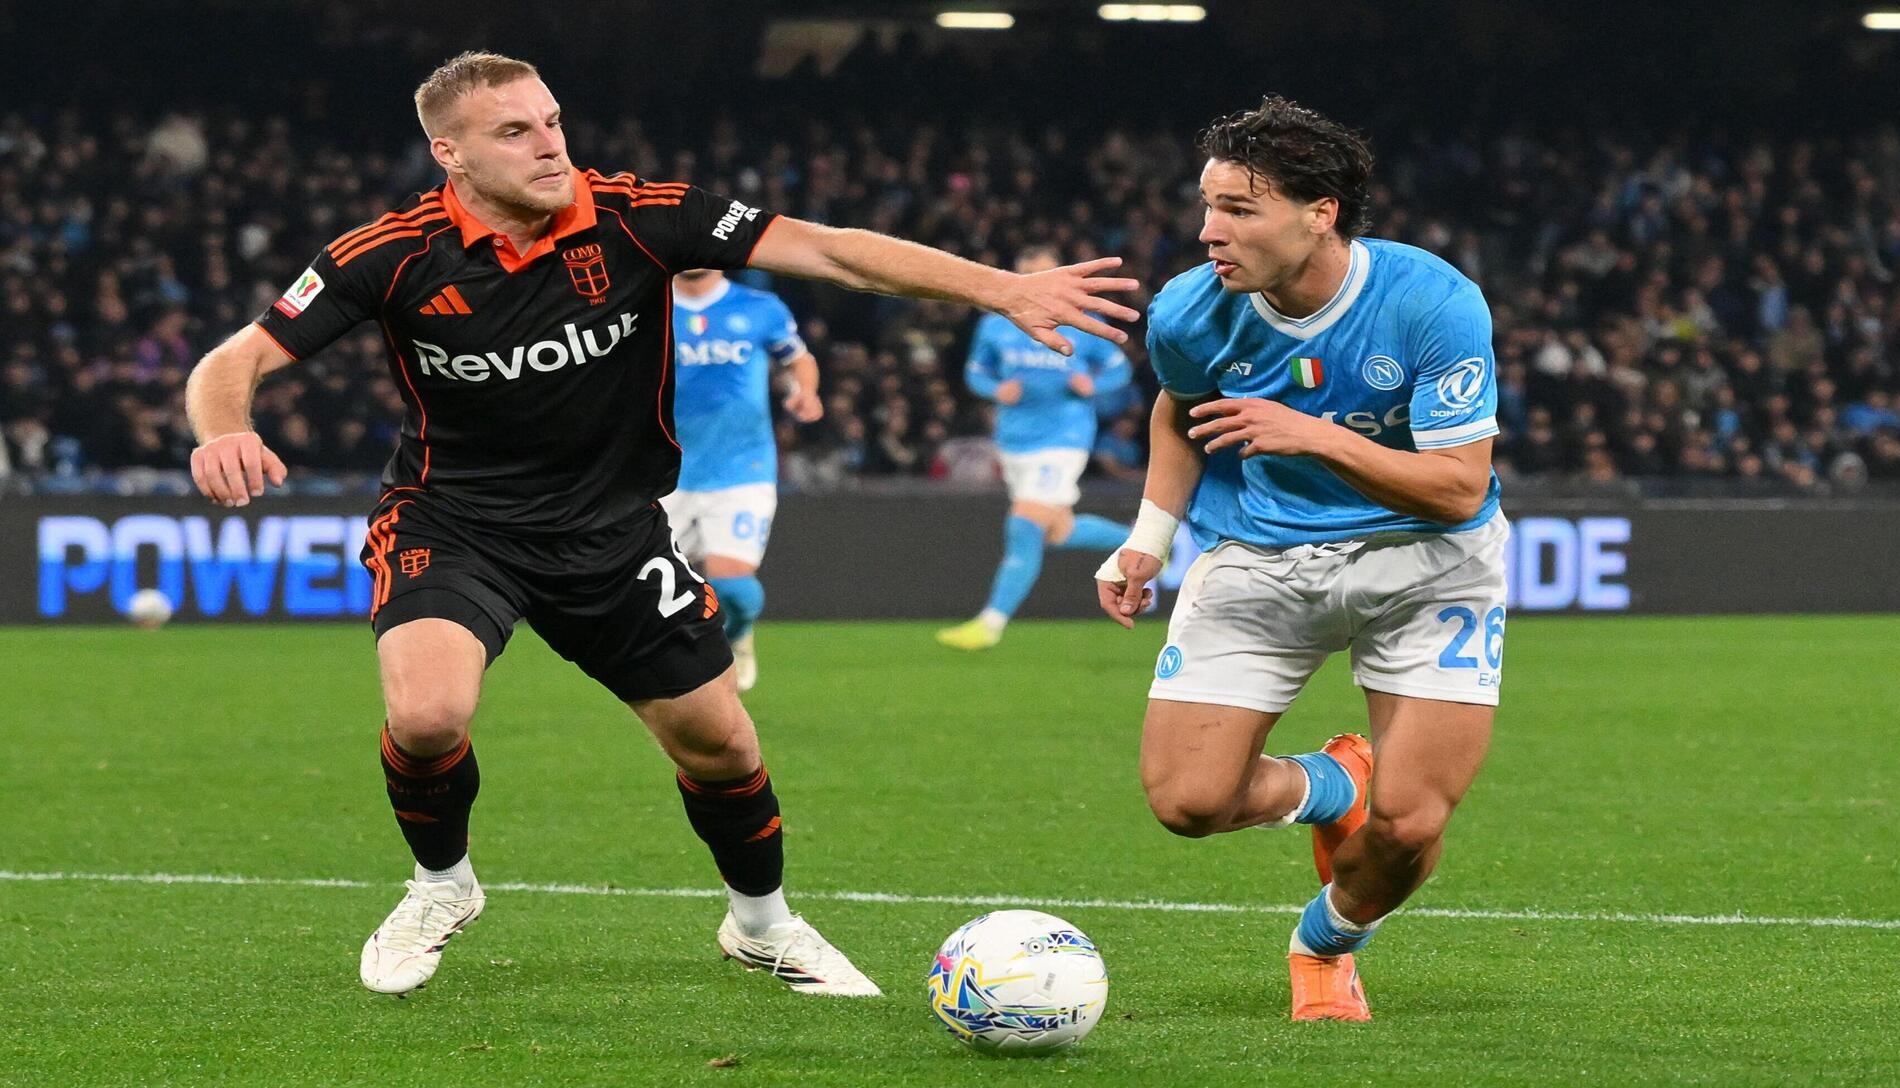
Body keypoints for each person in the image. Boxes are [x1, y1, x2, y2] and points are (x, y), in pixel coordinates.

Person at [184, 51, 1136, 998]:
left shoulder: (642, 216)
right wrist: (225, 429)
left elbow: (833, 248)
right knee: (429, 714)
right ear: (451, 153)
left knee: (719, 742)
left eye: (552, 120)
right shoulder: (386, 253)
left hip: (613, 530)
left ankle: (761, 925)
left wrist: (1001, 288)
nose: (550, 145)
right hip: (456, 519)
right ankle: (442, 887)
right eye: (515, 132)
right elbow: (235, 359)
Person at [1094, 96, 1506, 1022]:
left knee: (1410, 825)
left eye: (1240, 209)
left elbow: (1456, 488)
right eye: (1207, 206)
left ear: (1319, 212)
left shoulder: (1429, 300)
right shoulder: (1191, 313)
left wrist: (1311, 435)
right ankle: (1336, 783)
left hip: (1426, 562)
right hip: (1261, 557)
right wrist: (1146, 541)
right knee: (1188, 803)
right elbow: (1178, 408)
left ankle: (1325, 946)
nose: (1210, 232)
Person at [937, 245, 1137, 650]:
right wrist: (996, 389)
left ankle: (990, 623)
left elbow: (1119, 368)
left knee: (1024, 524)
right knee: (1057, 531)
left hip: (1064, 437)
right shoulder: (996, 325)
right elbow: (975, 372)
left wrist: (1093, 386)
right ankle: (1140, 542)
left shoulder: (1081, 323)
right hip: (1014, 440)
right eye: (1032, 275)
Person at [660, 267, 821, 691]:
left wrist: (805, 390)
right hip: (661, 472)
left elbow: (798, 358)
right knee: (650, 593)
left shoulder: (759, 308)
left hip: (741, 469)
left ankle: (737, 636)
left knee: (733, 588)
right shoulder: (645, 304)